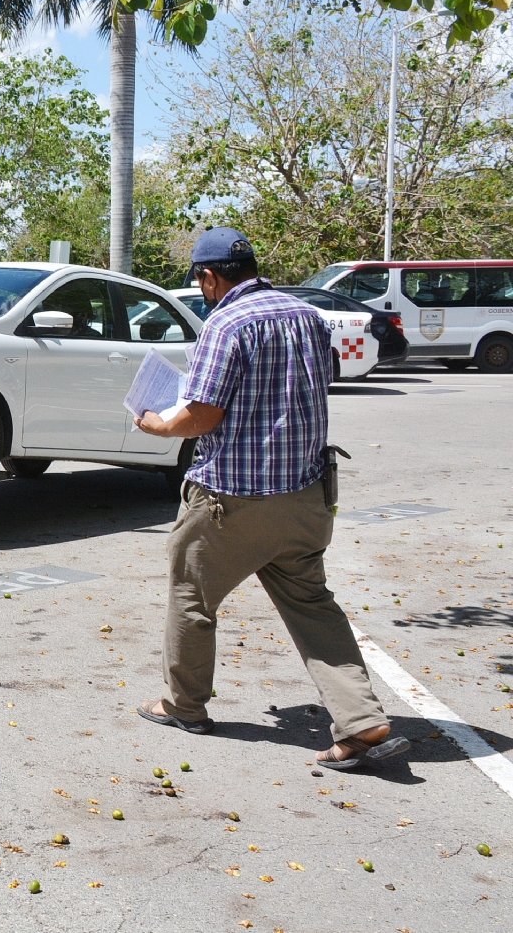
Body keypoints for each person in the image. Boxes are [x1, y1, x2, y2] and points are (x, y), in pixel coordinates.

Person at [133, 228, 408, 770]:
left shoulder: (225, 322)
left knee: (192, 596)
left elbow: (204, 414)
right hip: (306, 496)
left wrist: (157, 425)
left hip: (232, 502)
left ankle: (184, 705)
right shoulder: (306, 314)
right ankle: (360, 719)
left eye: (199, 280)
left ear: (209, 277)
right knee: (311, 605)